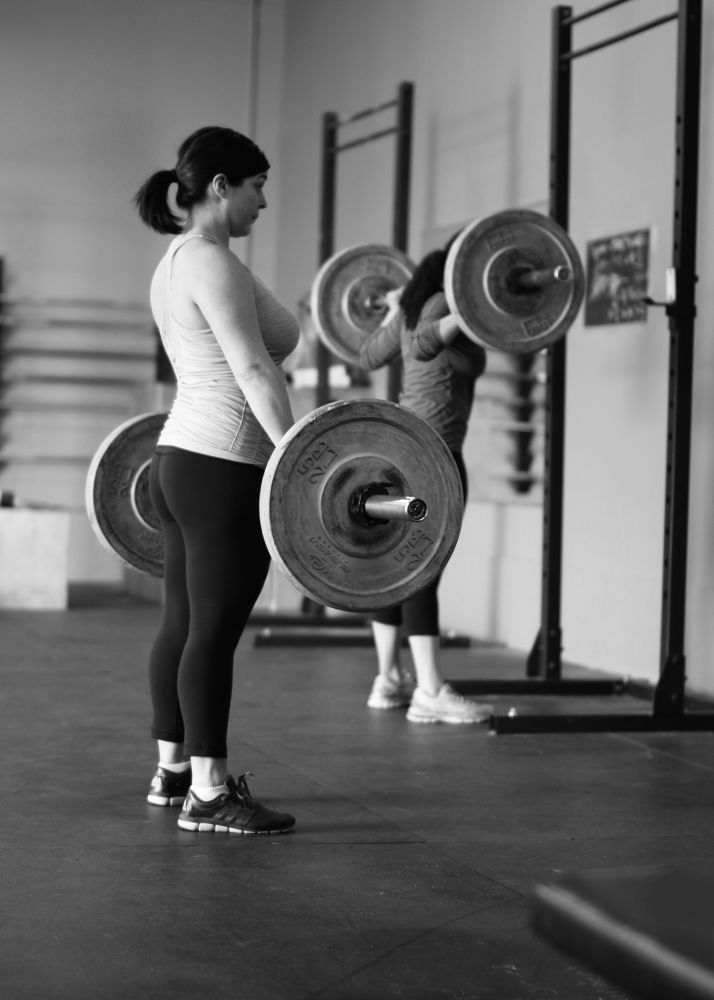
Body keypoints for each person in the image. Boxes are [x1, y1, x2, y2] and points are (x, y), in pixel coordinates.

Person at [133, 126, 299, 834]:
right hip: (223, 466)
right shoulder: (211, 262)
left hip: (179, 461)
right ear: (222, 186)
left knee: (183, 621)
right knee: (213, 631)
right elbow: (254, 369)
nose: (264, 200)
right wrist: (297, 458)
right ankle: (208, 793)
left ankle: (173, 772)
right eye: (257, 186)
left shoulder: (173, 262)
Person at [359, 237, 493, 725]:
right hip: (433, 457)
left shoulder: (415, 308)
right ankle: (430, 691)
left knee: (401, 566)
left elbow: (369, 354)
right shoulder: (441, 306)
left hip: (408, 450)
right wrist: (465, 315)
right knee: (421, 566)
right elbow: (422, 343)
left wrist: (397, 311)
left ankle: (388, 678)